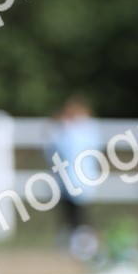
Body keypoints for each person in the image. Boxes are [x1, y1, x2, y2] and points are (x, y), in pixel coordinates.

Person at [45, 96, 103, 262]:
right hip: (70, 179)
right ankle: (77, 246)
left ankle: (85, 247)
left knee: (80, 216)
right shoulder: (80, 130)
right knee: (72, 215)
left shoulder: (76, 131)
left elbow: (57, 149)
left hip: (78, 178)